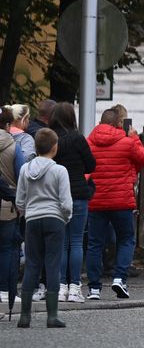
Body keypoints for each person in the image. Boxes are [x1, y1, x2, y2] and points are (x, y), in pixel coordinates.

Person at [86, 108, 144, 300]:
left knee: (95, 244)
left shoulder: (88, 142)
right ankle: (119, 278)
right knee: (126, 239)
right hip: (121, 201)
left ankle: (94, 288)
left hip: (96, 200)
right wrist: (135, 138)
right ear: (118, 124)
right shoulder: (127, 142)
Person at [14, 127, 72, 328]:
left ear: (36, 147)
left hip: (32, 220)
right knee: (53, 265)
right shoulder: (59, 170)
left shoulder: (25, 170)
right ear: (55, 148)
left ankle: (25, 316)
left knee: (32, 265)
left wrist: (27, 212)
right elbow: (66, 203)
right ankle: (52, 316)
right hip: (54, 219)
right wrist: (65, 217)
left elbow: (20, 199)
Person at [50, 102, 95, 303]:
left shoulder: (51, 138)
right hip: (77, 193)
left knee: (61, 243)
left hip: (55, 195)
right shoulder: (77, 138)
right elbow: (91, 164)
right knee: (76, 241)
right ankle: (75, 287)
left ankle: (60, 286)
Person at [0, 106, 25, 311]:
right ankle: (6, 291)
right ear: (9, 125)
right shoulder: (15, 148)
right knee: (8, 249)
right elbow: (21, 176)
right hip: (8, 206)